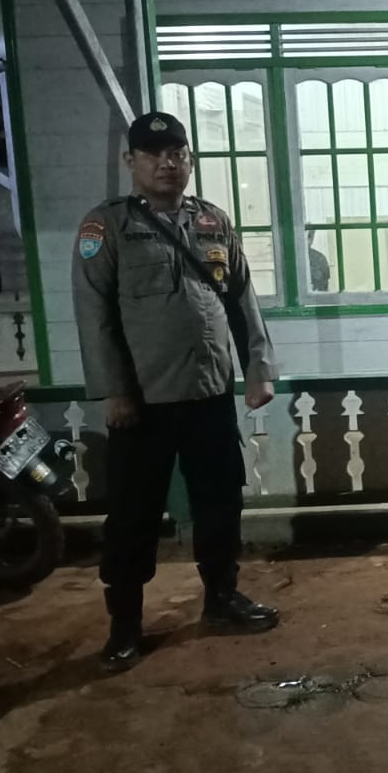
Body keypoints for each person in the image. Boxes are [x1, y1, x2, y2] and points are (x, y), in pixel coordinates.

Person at [72, 111, 281, 668]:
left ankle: (221, 597)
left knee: (221, 499)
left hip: (208, 392)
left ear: (190, 160)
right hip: (143, 401)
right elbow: (93, 314)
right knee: (133, 514)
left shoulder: (212, 221)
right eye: (153, 153)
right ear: (131, 161)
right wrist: (115, 391)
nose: (167, 163)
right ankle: (125, 625)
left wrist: (258, 367)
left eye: (177, 153)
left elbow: (241, 298)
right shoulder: (106, 226)